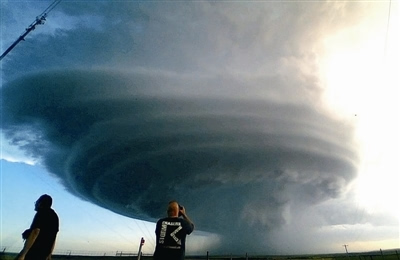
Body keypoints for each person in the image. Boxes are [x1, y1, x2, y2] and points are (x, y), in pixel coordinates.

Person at [16, 194, 59, 260]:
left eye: (36, 202)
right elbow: (54, 236)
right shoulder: (55, 217)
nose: (35, 204)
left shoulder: (41, 213)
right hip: (44, 254)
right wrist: (50, 254)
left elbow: (35, 232)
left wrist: (23, 254)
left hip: (34, 253)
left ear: (40, 203)